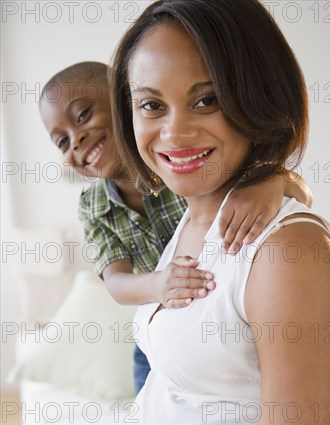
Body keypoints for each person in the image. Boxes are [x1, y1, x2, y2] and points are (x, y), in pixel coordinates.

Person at [51, 0, 330, 425]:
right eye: (152, 105)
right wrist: (275, 177)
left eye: (206, 99)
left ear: (258, 97)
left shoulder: (288, 252)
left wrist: (278, 180)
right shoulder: (192, 207)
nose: (175, 133)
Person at [39, 61, 311, 394]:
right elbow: (115, 283)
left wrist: (273, 179)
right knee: (152, 410)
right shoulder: (92, 205)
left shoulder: (184, 161)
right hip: (158, 331)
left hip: (218, 317)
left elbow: (302, 193)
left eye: (83, 116)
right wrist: (158, 283)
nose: (76, 139)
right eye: (61, 142)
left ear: (128, 102)